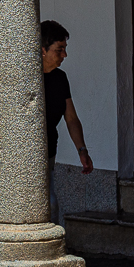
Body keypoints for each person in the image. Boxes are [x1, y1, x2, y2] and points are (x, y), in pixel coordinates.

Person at [41, 20, 92, 175]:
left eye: (65, 49)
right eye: (59, 50)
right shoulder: (27, 78)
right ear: (43, 50)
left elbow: (71, 118)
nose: (64, 55)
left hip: (48, 151)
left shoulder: (60, 78)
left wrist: (82, 150)